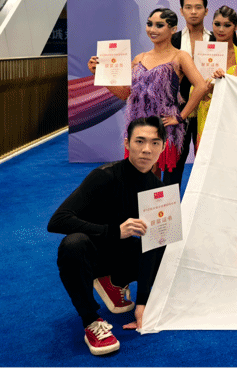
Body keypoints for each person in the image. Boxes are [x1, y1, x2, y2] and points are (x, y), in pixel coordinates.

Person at [48, 117, 170, 355]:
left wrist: (143, 302)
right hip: (92, 253)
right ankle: (91, 321)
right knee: (73, 245)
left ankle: (114, 281)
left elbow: (155, 248)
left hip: (120, 253)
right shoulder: (104, 176)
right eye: (140, 141)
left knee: (167, 246)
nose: (147, 149)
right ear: (127, 143)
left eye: (155, 143)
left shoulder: (158, 190)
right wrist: (113, 231)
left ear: (163, 147)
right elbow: (58, 220)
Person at [87, 8, 207, 176]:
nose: (152, 29)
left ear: (173, 29)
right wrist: (99, 74)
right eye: (149, 24)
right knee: (142, 174)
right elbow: (125, 94)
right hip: (139, 125)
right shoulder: (139, 58)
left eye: (159, 25)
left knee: (165, 177)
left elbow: (201, 86)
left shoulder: (180, 56)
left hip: (164, 125)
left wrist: (181, 117)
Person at [169, 0, 214, 189]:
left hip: (209, 107)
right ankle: (168, 206)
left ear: (206, 11)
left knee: (208, 162)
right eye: (188, 7)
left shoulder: (217, 39)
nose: (193, 12)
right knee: (174, 163)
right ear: (181, 11)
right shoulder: (173, 39)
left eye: (198, 7)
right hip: (178, 109)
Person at [196, 6, 237, 147]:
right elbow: (194, 90)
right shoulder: (202, 53)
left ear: (236, 27)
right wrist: (206, 88)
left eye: (227, 25)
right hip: (207, 113)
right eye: (217, 24)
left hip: (234, 115)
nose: (221, 29)